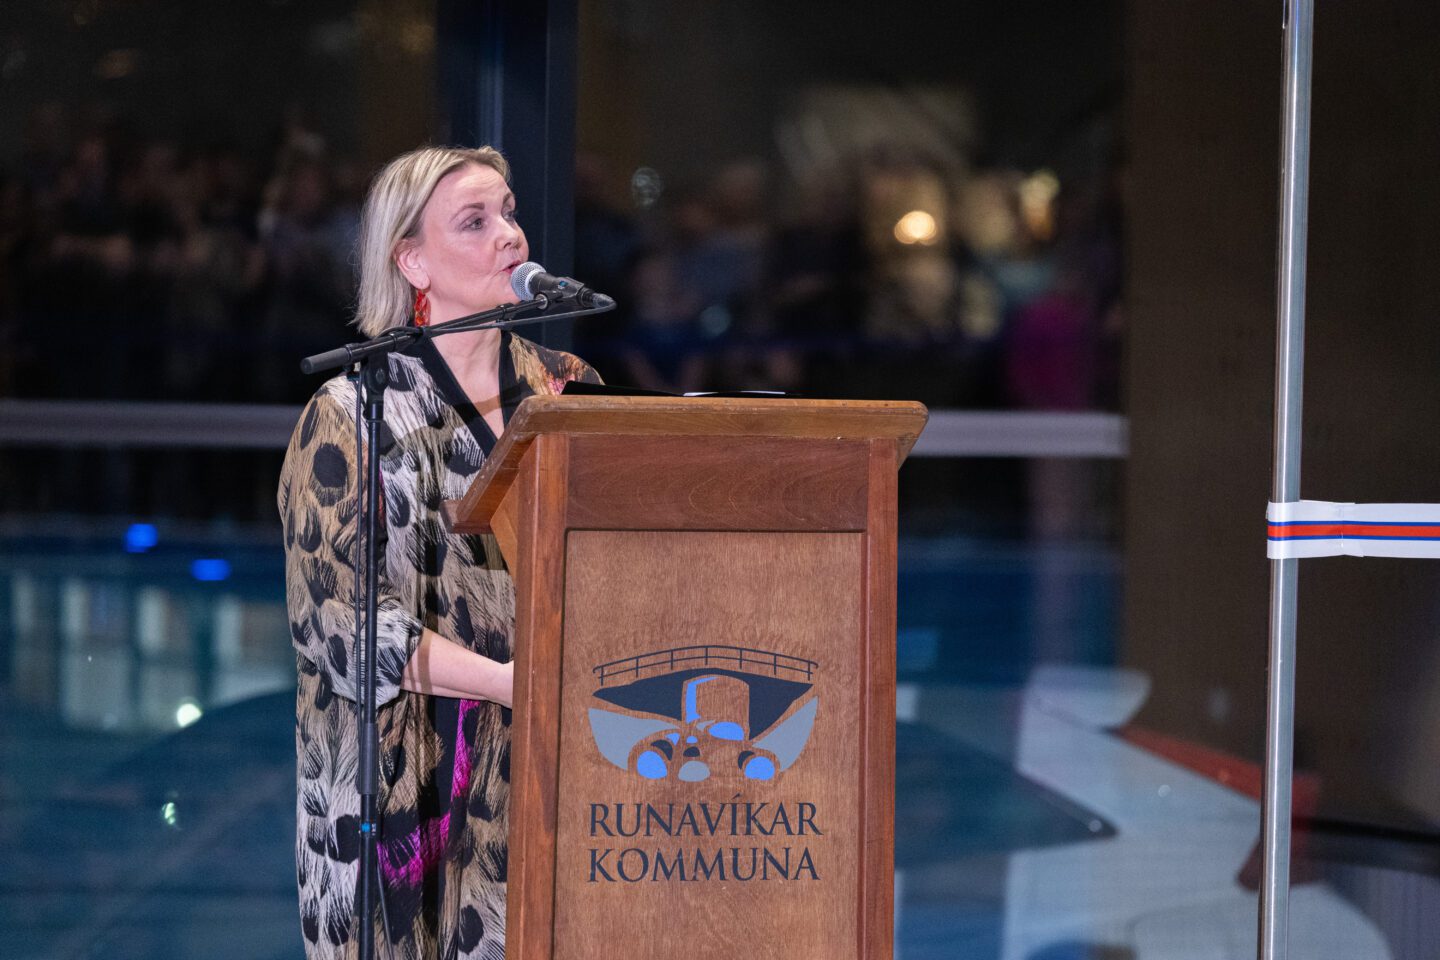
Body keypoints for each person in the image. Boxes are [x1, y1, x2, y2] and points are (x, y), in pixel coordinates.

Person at [277, 145, 601, 960]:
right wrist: (510, 682)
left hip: (548, 769)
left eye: (510, 213)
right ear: (412, 261)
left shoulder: (568, 388)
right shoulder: (352, 413)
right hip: (399, 786)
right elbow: (339, 626)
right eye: (475, 221)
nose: (510, 236)